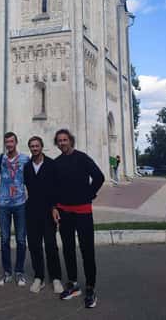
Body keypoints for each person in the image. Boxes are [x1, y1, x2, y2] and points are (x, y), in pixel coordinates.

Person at [52, 129, 104, 308]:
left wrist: (89, 194)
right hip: (65, 212)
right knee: (68, 249)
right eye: (59, 141)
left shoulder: (82, 158)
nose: (62, 143)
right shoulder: (57, 163)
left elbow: (99, 177)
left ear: (71, 141)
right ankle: (73, 284)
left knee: (87, 250)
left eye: (65, 140)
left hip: (82, 211)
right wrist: (55, 207)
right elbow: (54, 188)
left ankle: (90, 287)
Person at [23, 136, 63, 294]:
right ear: (30, 148)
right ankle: (38, 276)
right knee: (34, 245)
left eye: (37, 145)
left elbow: (57, 188)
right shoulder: (27, 167)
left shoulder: (51, 165)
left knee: (51, 245)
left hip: (48, 211)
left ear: (41, 146)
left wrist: (55, 207)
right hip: (32, 211)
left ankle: (56, 278)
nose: (34, 148)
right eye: (32, 146)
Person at [0, 131, 30, 287]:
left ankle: (19, 272)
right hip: (3, 204)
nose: (9, 144)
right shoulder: (0, 159)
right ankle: (7, 272)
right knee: (4, 239)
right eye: (7, 142)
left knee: (21, 239)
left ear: (16, 142)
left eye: (11, 141)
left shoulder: (25, 159)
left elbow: (32, 179)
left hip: (20, 204)